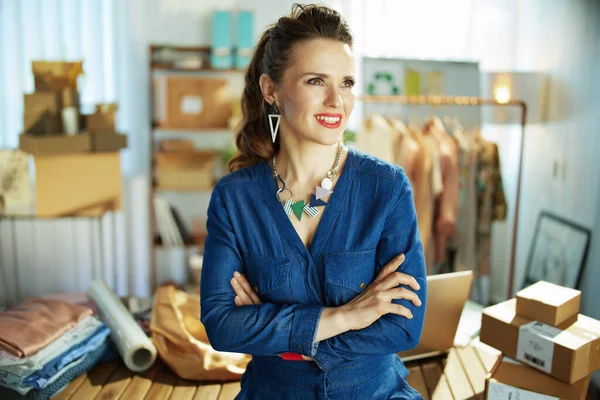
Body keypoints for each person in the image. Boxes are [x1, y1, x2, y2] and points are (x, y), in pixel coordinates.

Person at [200, 4, 427, 399]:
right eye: (316, 81)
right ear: (271, 90)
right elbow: (221, 325)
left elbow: (405, 325)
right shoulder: (234, 198)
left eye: (347, 83)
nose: (336, 100)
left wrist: (277, 335)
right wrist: (347, 316)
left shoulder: (387, 188)